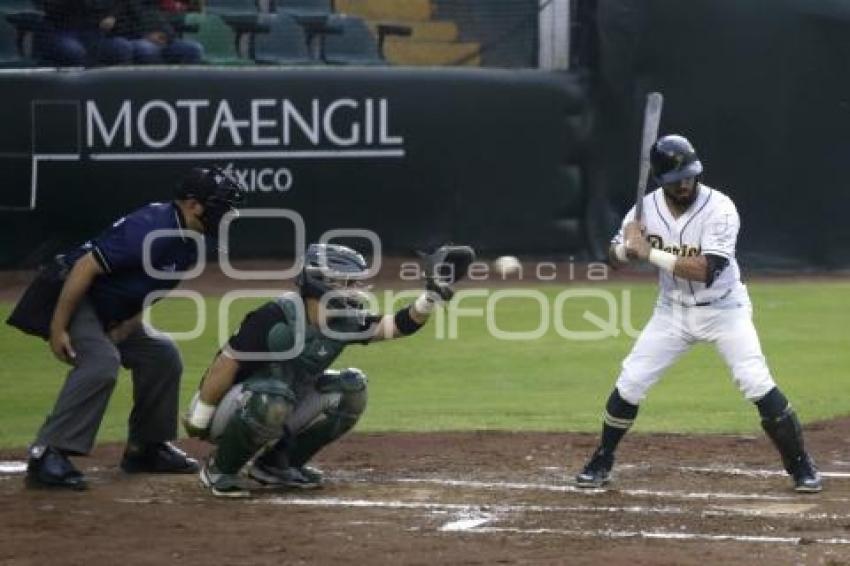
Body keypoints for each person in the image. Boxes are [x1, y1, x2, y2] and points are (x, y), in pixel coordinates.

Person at [574, 134, 822, 493]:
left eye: (690, 175)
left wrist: (650, 254)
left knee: (754, 380)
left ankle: (801, 465)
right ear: (662, 179)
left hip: (724, 310)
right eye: (677, 179)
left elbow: (707, 270)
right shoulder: (645, 209)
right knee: (631, 381)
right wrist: (626, 246)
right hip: (671, 312)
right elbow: (610, 259)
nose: (686, 183)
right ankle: (602, 458)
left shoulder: (720, 208)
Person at [7, 167, 244, 490]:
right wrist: (59, 328)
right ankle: (47, 453)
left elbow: (149, 288)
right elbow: (83, 268)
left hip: (109, 309)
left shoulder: (190, 241)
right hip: (70, 295)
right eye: (221, 204)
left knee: (161, 354)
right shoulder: (151, 228)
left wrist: (127, 326)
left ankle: (146, 448)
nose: (227, 213)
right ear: (192, 204)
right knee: (101, 362)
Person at [183, 243, 474, 498]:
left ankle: (277, 465)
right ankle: (220, 469)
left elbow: (395, 326)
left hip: (281, 400)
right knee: (273, 397)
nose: (354, 289)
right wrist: (201, 417)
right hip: (229, 405)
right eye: (346, 282)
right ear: (320, 282)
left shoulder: (342, 319)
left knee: (352, 387)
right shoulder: (276, 317)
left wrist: (429, 299)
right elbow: (225, 364)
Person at [37, 0, 134, 66]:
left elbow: (118, 4)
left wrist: (112, 15)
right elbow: (50, 8)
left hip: (93, 34)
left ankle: (118, 92)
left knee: (122, 47)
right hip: (61, 31)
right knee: (74, 51)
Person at [115, 0, 203, 64]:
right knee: (147, 49)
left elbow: (164, 23)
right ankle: (156, 86)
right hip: (134, 39)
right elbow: (120, 26)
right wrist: (146, 36)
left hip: (160, 40)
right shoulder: (123, 3)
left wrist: (167, 36)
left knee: (193, 49)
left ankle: (183, 86)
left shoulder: (154, 3)